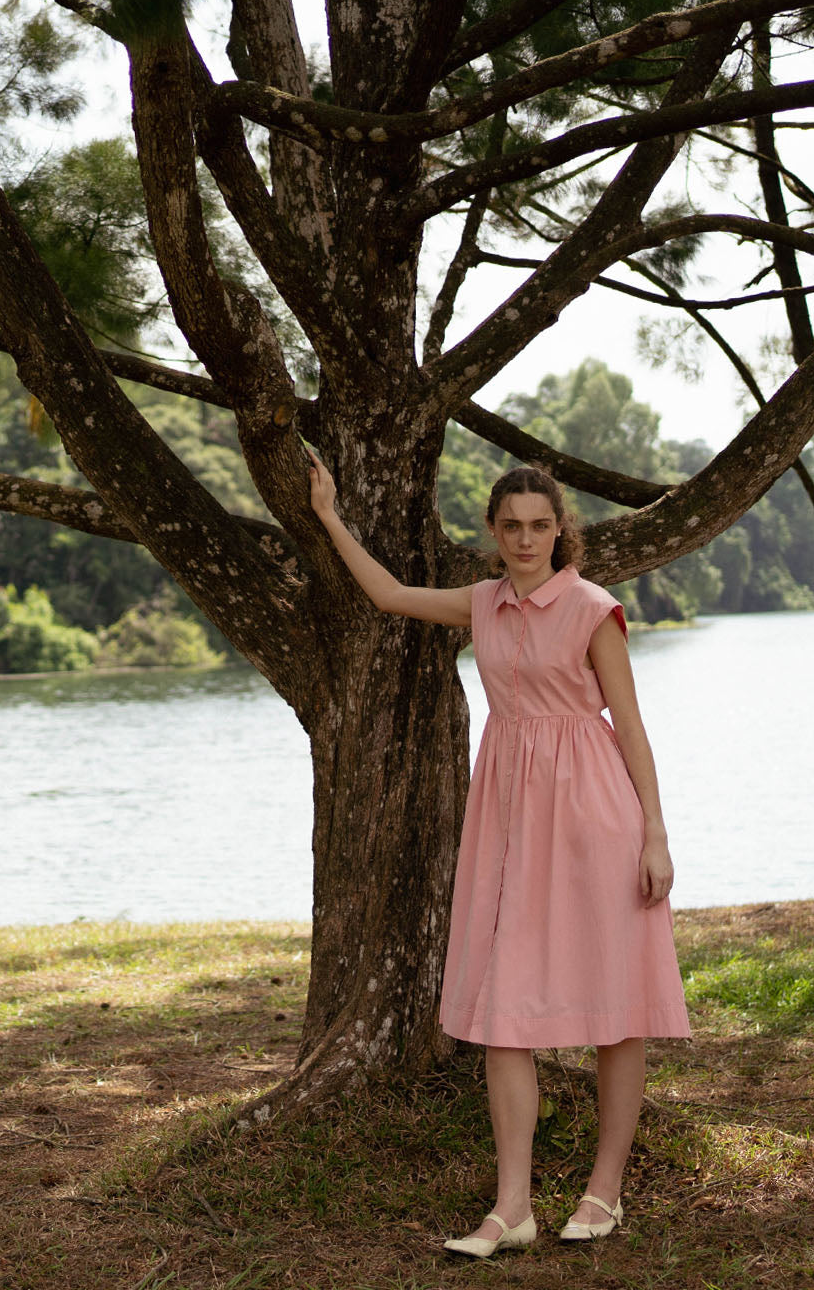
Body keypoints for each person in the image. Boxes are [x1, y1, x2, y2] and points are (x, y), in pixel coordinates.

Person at [307, 452, 690, 1255]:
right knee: (503, 1010)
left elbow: (634, 726)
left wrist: (655, 831)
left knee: (617, 1007)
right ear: (492, 531)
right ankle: (511, 1208)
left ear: (561, 530)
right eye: (511, 526)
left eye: (539, 525)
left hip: (593, 814)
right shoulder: (483, 604)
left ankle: (604, 1191)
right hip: (510, 817)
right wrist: (329, 515)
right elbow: (387, 594)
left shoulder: (591, 609)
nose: (525, 539)